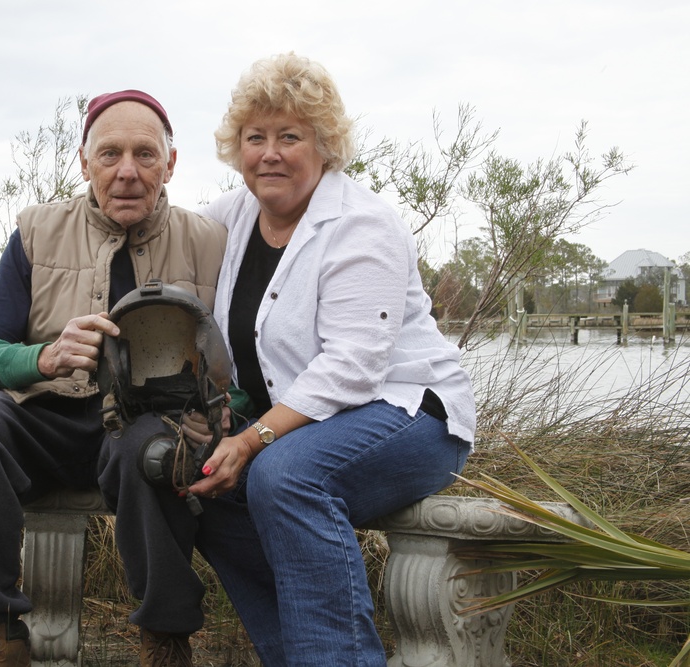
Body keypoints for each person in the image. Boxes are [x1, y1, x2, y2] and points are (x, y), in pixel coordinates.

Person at [185, 53, 477, 666]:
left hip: (407, 412)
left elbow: (353, 366)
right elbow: (162, 244)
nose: (270, 153)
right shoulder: (227, 219)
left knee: (285, 477)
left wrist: (255, 438)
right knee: (200, 493)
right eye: (254, 137)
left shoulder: (361, 224)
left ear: (324, 147)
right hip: (304, 428)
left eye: (290, 136)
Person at [0, 90, 227, 667]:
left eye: (145, 155)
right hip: (44, 425)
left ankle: (165, 640)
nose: (127, 172)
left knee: (158, 448)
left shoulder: (209, 242)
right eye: (109, 154)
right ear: (84, 163)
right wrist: (43, 357)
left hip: (139, 428)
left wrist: (218, 408)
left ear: (171, 164)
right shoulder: (37, 231)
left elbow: (239, 362)